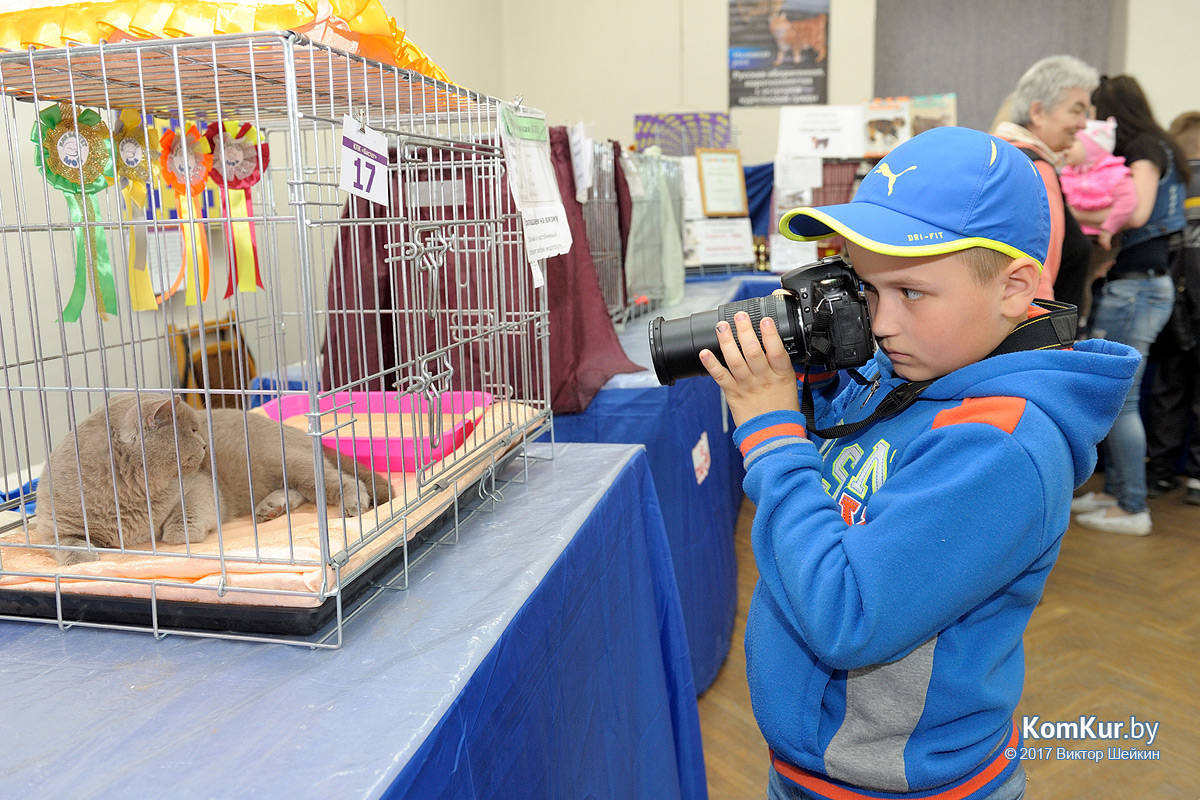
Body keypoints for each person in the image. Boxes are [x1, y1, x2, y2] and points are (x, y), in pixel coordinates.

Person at [698, 127, 1138, 800]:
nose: (879, 323)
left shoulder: (1002, 447)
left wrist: (774, 437)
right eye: (865, 290)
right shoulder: (907, 369)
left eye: (911, 292)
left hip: (906, 787)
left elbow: (848, 616)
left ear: (1016, 288)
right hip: (814, 770)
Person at [1071, 75, 1191, 535]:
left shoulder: (1143, 146)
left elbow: (1136, 213)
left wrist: (1068, 209)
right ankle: (1117, 492)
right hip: (1141, 285)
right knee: (1121, 397)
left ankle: (1133, 507)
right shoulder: (1160, 146)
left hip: (1137, 288)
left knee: (1121, 401)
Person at [994, 55, 1097, 310]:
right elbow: (1038, 272)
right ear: (1037, 112)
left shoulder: (999, 156)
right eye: (1076, 110)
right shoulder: (1037, 168)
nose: (1083, 123)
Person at [1143, 111, 1200, 504]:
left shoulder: (1173, 182)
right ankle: (1197, 480)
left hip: (1172, 298)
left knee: (1169, 388)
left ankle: (1160, 472)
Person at [1060, 117, 1138, 323]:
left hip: (1100, 240)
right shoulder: (1068, 173)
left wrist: (1108, 228)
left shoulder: (1115, 174)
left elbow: (1127, 204)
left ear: (1092, 147)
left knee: (1081, 278)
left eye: (1074, 142)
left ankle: (1079, 321)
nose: (1066, 148)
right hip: (1074, 236)